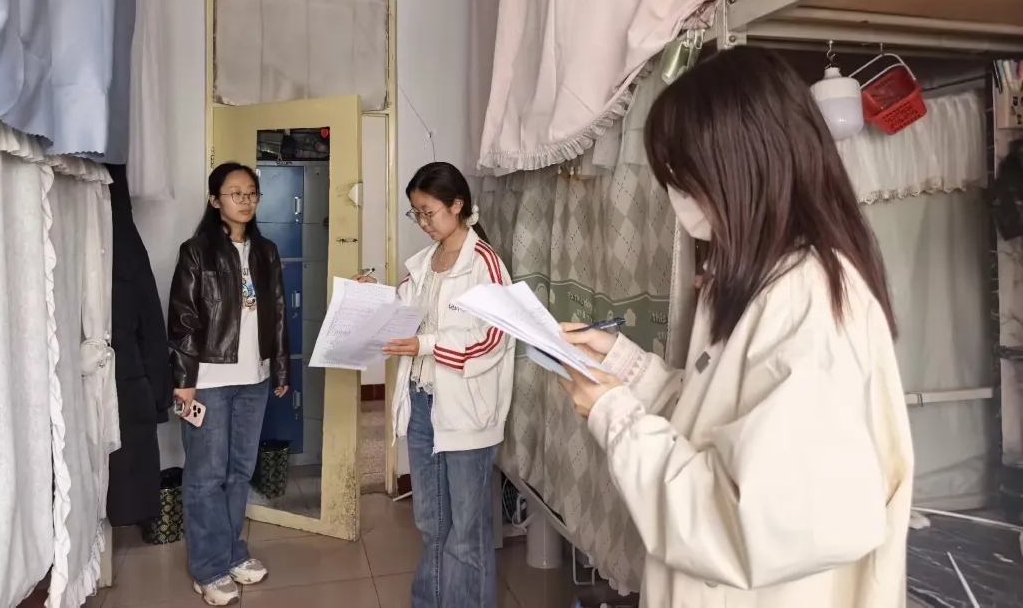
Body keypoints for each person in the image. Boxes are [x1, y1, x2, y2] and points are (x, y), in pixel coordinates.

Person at [558, 47, 914, 608]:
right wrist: (628, 369)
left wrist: (615, 416)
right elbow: (722, 419)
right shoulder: (759, 276)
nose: (677, 200)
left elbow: (752, 525)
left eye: (685, 179)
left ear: (745, 167)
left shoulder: (808, 302)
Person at [356, 161, 513, 608]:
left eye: (428, 212)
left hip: (466, 411)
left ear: (456, 205)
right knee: (431, 522)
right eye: (417, 213)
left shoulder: (485, 264)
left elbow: (493, 337)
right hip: (422, 404)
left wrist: (425, 344)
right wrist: (370, 293)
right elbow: (403, 308)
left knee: (466, 530)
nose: (422, 222)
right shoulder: (426, 263)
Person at [168, 162, 290, 606]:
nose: (245, 200)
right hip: (209, 381)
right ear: (214, 199)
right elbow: (182, 320)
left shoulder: (266, 251)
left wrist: (280, 370)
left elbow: (278, 314)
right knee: (206, 476)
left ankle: (232, 552)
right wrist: (184, 381)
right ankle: (208, 568)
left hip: (254, 378)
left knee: (239, 472)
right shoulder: (196, 251)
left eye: (251, 192)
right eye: (235, 192)